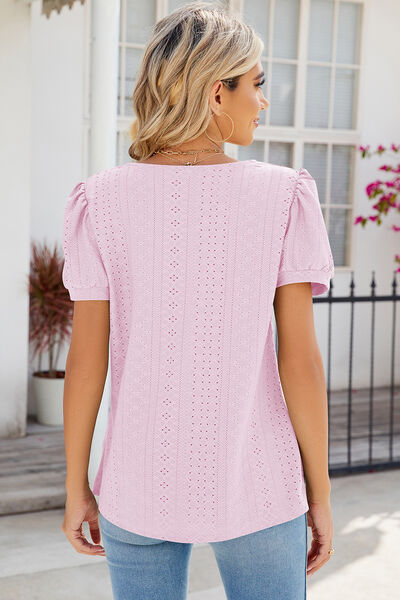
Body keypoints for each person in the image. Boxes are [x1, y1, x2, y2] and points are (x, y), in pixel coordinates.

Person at [61, 2, 335, 598]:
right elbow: (300, 361)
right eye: (256, 84)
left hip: (136, 485)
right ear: (217, 93)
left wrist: (76, 483)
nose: (263, 101)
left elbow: (85, 360)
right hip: (259, 485)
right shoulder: (283, 195)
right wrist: (319, 493)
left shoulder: (99, 200)